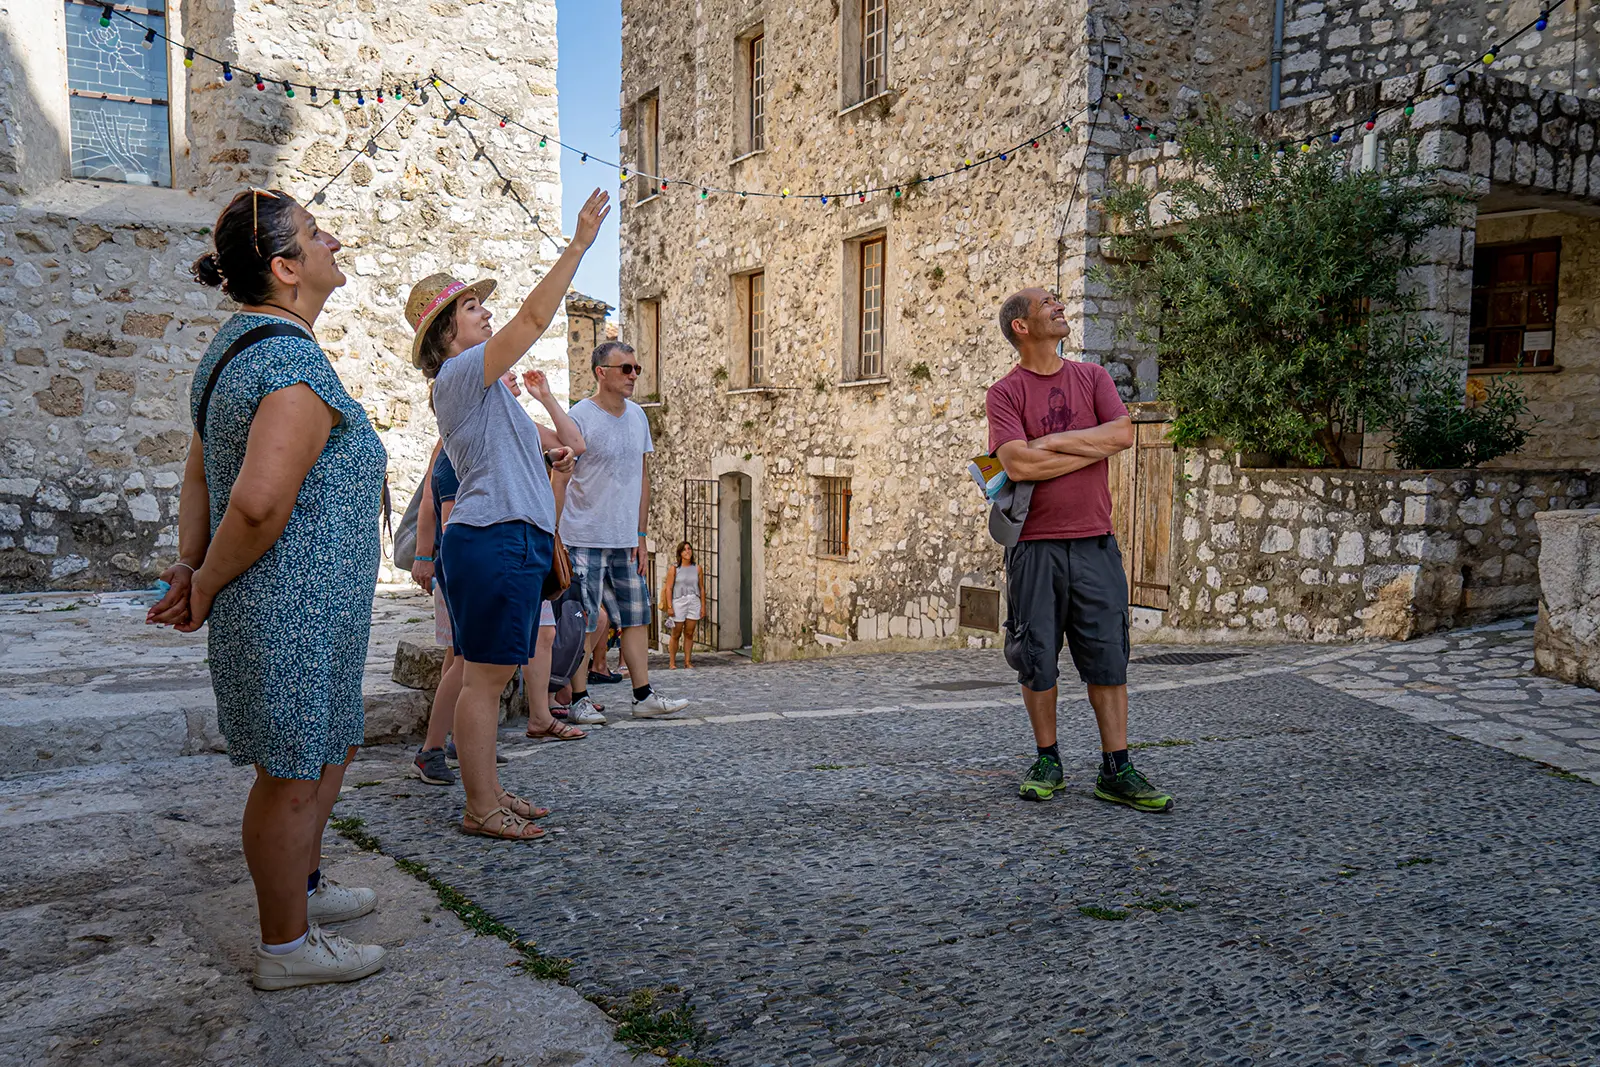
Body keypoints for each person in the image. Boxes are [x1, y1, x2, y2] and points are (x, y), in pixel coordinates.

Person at [147, 188, 387, 990]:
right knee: (289, 772)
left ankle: (304, 888)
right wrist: (207, 582)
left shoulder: (237, 347)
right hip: (287, 608)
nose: (335, 239)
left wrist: (189, 565)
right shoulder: (288, 362)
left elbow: (196, 469)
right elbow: (254, 501)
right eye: (318, 235)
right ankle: (284, 946)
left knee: (325, 747)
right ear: (286, 269)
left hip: (310, 610)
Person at [407, 188, 608, 841]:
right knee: (484, 682)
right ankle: (479, 807)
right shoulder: (461, 374)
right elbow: (531, 319)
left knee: (487, 678)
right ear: (446, 334)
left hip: (505, 540)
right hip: (490, 540)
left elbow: (551, 452)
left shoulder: (485, 391)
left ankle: (487, 792)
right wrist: (577, 245)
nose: (486, 313)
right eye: (471, 307)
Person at [986, 288, 1174, 812]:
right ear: (1022, 326)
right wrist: (1077, 446)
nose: (1060, 305)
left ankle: (1117, 769)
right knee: (1037, 658)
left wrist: (1045, 445)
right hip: (1033, 548)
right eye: (1048, 302)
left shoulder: (1091, 378)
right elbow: (1017, 466)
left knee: (1109, 658)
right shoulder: (1004, 393)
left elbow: (1121, 435)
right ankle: (1047, 758)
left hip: (1095, 543)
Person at [559, 341, 690, 723]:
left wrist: (642, 533)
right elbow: (562, 475)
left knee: (637, 616)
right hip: (584, 534)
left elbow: (642, 476)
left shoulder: (638, 417)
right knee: (584, 618)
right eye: (626, 369)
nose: (634, 375)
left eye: (636, 368)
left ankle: (643, 695)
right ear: (602, 373)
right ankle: (579, 698)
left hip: (625, 538)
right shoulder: (579, 417)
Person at [660, 540, 705, 669]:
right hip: (678, 601)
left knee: (690, 633)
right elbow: (668, 588)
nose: (687, 551)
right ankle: (672, 662)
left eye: (689, 549)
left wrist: (703, 606)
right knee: (676, 633)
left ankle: (687, 661)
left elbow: (701, 588)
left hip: (693, 600)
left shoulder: (697, 568)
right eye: (684, 549)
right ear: (680, 553)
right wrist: (669, 606)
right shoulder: (674, 569)